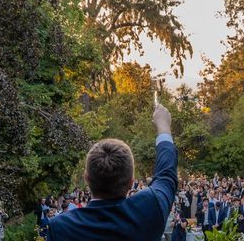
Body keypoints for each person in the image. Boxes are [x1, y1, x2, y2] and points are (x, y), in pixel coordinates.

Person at [49, 103, 177, 241]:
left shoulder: (61, 227)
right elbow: (166, 175)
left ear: (86, 178)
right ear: (131, 182)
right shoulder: (150, 207)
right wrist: (163, 127)